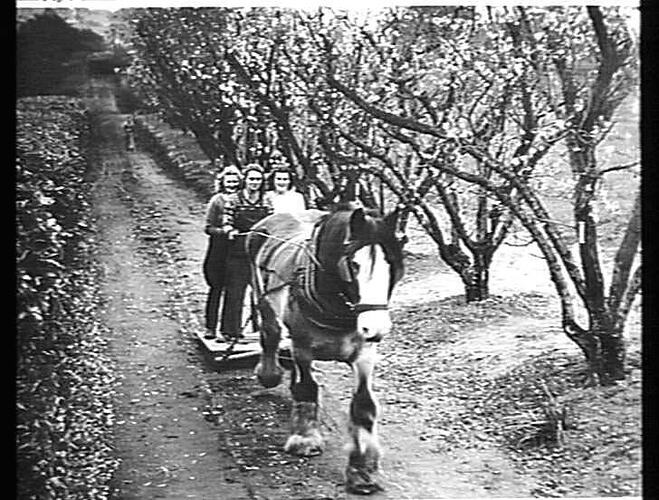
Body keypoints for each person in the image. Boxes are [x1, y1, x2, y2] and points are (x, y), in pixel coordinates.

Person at [218, 164, 273, 341]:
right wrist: (230, 231)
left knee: (264, 294)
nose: (254, 183)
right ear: (245, 180)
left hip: (260, 254)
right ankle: (230, 331)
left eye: (258, 179)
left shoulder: (266, 200)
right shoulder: (233, 199)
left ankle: (265, 332)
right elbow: (226, 221)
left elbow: (272, 223)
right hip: (238, 253)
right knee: (234, 292)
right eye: (251, 179)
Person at [202, 165, 242, 340]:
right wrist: (224, 232)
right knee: (216, 288)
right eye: (229, 182)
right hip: (218, 249)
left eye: (235, 182)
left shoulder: (242, 199)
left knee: (233, 291)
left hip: (236, 249)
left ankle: (230, 329)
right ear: (222, 183)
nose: (232, 185)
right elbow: (208, 227)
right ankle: (210, 326)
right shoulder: (217, 200)